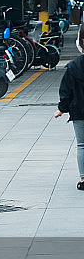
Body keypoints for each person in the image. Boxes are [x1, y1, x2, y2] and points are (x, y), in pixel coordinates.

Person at [54, 25, 84, 190]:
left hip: (79, 111)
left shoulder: (73, 67)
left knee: (82, 145)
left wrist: (61, 109)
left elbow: (66, 91)